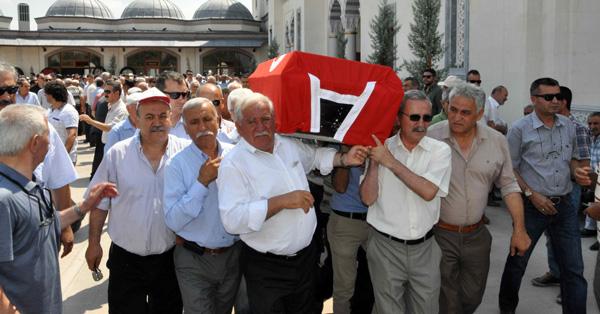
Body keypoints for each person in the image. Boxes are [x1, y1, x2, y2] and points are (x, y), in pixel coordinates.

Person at [217, 92, 368, 313]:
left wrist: (344, 159)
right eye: (252, 121)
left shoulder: (285, 145)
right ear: (238, 126)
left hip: (304, 261)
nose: (261, 126)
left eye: (266, 119)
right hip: (267, 268)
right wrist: (282, 201)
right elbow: (232, 220)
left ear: (275, 120)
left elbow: (315, 157)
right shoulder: (234, 164)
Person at [0, 104, 117, 314]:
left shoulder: (30, 183)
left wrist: (84, 207)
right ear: (35, 143)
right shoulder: (4, 198)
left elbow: (43, 224)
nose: (52, 141)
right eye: (49, 134)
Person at [427, 83, 530, 313]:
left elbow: (509, 186)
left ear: (480, 114)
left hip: (477, 237)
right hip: (440, 235)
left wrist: (519, 229)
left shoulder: (496, 141)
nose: (457, 117)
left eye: (465, 112)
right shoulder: (431, 137)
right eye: (452, 109)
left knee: (472, 297)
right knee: (448, 302)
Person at [85, 88, 189, 313]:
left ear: (171, 117)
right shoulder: (117, 154)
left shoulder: (185, 153)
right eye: (149, 117)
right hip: (126, 260)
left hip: (170, 259)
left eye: (163, 116)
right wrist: (93, 243)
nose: (157, 122)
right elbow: (100, 203)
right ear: (136, 119)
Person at [498, 77, 588, 314]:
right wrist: (531, 194)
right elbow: (509, 170)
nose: (556, 101)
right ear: (534, 99)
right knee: (517, 263)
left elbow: (572, 162)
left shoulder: (569, 126)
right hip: (530, 207)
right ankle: (507, 309)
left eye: (559, 96)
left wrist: (577, 171)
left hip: (565, 205)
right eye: (549, 97)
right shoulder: (519, 129)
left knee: (573, 269)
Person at [360, 90, 452, 313]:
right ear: (398, 117)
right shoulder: (381, 149)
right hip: (385, 247)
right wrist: (375, 163)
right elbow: (367, 199)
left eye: (426, 118)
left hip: (426, 248)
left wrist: (389, 162)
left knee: (427, 309)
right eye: (414, 117)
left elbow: (428, 191)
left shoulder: (440, 150)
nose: (421, 124)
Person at [164, 97, 241, 313]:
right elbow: (173, 220)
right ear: (186, 128)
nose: (203, 127)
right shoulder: (176, 165)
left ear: (218, 120)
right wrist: (201, 182)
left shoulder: (236, 155)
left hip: (232, 256)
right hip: (194, 259)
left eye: (208, 119)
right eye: (195, 122)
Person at [327, 154, 369, 314]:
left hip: (376, 221)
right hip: (346, 220)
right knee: (344, 285)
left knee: (377, 281)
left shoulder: (385, 143)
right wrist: (346, 153)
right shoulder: (346, 145)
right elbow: (340, 186)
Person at [79, 80, 127, 147]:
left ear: (116, 93)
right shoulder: (111, 105)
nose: (105, 94)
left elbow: (110, 128)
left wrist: (91, 121)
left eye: (108, 92)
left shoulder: (121, 109)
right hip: (109, 144)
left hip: (115, 145)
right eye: (104, 91)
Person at [45, 81, 79, 164]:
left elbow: (72, 135)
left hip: (65, 159)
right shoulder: (50, 110)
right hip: (51, 156)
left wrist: (63, 156)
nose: (45, 95)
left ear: (52, 95)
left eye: (46, 93)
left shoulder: (68, 111)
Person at [156, 71, 191, 140]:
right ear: (160, 95)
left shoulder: (194, 123)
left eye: (185, 94)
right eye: (175, 95)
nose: (182, 100)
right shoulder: (149, 126)